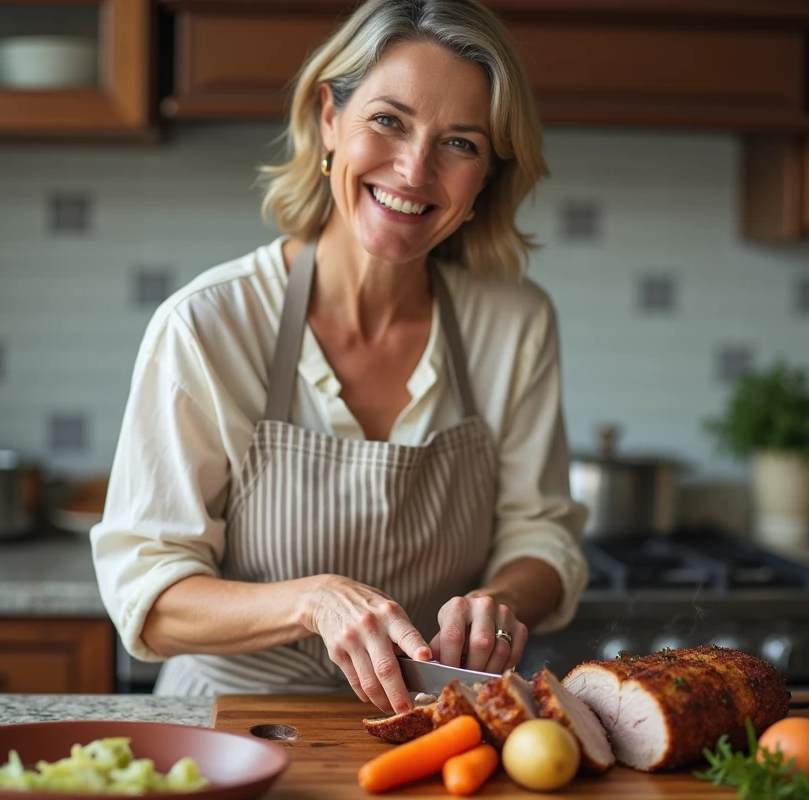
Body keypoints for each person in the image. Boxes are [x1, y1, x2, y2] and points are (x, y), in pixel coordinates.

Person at [91, 0, 588, 715]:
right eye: (388, 121)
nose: (415, 170)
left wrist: (503, 600)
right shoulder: (207, 325)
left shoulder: (515, 323)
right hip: (234, 725)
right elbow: (151, 601)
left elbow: (542, 534)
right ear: (330, 118)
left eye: (461, 143)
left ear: (486, 176)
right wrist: (312, 602)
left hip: (437, 725)